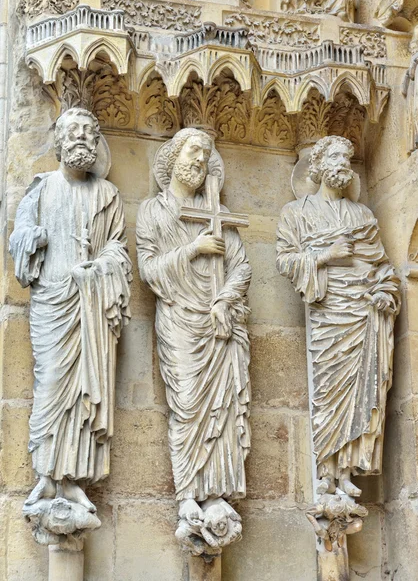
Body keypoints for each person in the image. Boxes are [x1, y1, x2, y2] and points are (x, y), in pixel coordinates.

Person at [10, 108, 132, 512]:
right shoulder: (41, 189)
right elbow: (18, 236)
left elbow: (118, 248)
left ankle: (74, 478)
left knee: (86, 393)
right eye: (72, 131)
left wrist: (100, 269)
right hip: (53, 303)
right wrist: (33, 238)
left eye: (88, 131)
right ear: (59, 142)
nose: (81, 137)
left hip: (90, 304)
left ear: (96, 142)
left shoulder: (107, 194)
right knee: (50, 387)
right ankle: (47, 475)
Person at [136, 128, 251, 550]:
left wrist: (224, 300)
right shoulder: (154, 212)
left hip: (219, 323)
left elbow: (241, 266)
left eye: (206, 156)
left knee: (221, 410)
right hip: (180, 321)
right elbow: (148, 270)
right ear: (173, 157)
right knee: (187, 406)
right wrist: (193, 249)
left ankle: (217, 489)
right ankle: (187, 493)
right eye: (192, 152)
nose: (199, 161)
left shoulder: (218, 212)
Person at [276, 136, 400, 497]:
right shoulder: (295, 213)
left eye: (347, 157)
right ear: (316, 165)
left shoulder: (363, 216)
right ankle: (325, 473)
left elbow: (385, 269)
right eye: (335, 156)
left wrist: (383, 291)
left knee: (361, 390)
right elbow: (285, 260)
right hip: (329, 313)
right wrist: (326, 254)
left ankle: (346, 469)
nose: (343, 163)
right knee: (329, 392)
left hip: (362, 311)